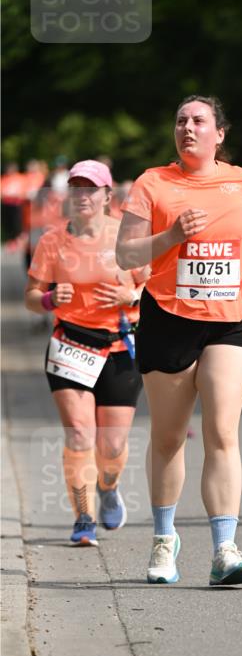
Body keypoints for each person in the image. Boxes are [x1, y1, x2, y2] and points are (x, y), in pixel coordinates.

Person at [116, 94, 242, 586]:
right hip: (168, 317)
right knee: (168, 438)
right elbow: (125, 254)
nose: (188, 128)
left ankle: (225, 549)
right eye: (181, 120)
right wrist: (171, 238)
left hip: (232, 318)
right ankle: (165, 540)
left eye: (199, 120)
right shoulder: (153, 183)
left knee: (222, 431)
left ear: (219, 134)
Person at [24, 160, 149, 545]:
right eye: (76, 188)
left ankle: (108, 487)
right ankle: (83, 518)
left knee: (111, 446)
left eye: (90, 188)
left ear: (107, 196)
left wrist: (131, 295)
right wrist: (47, 298)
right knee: (79, 433)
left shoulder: (126, 239)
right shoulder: (51, 241)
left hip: (118, 346)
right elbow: (30, 297)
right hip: (70, 345)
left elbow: (154, 291)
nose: (82, 195)